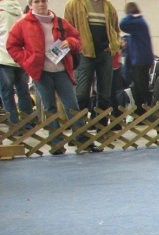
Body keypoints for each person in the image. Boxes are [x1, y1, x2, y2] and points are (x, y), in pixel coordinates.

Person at [7, 0, 102, 154]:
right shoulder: (22, 24)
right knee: (49, 107)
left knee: (72, 106)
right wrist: (27, 60)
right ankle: (56, 144)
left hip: (62, 70)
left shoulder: (60, 22)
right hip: (41, 72)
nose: (40, 4)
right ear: (30, 5)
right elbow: (12, 46)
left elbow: (78, 40)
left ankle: (82, 140)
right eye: (36, 2)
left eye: (43, 1)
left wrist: (70, 42)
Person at [63, 0, 121, 125]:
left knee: (105, 94)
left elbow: (116, 29)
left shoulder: (108, 6)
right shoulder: (74, 4)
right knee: (82, 93)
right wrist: (77, 46)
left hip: (105, 54)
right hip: (84, 54)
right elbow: (67, 29)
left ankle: (102, 129)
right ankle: (80, 132)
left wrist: (114, 44)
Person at [0, 0, 34, 128]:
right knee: (23, 90)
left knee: (7, 93)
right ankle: (28, 123)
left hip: (3, 57)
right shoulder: (20, 12)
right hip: (20, 58)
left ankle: (14, 125)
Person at [119, 2, 153, 115]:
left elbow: (122, 24)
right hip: (142, 60)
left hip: (140, 61)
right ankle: (141, 110)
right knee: (140, 87)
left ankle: (142, 112)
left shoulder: (138, 22)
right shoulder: (140, 24)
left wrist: (131, 15)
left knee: (140, 88)